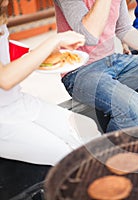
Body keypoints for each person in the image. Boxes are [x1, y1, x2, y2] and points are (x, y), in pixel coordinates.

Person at [53, 0, 138, 132]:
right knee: (135, 107)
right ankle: (114, 155)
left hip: (112, 60)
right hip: (80, 71)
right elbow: (90, 37)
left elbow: (124, 29)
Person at [0, 0, 101, 166]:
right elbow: (5, 79)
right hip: (3, 120)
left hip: (16, 102)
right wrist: (54, 41)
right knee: (69, 157)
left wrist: (37, 53)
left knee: (87, 128)